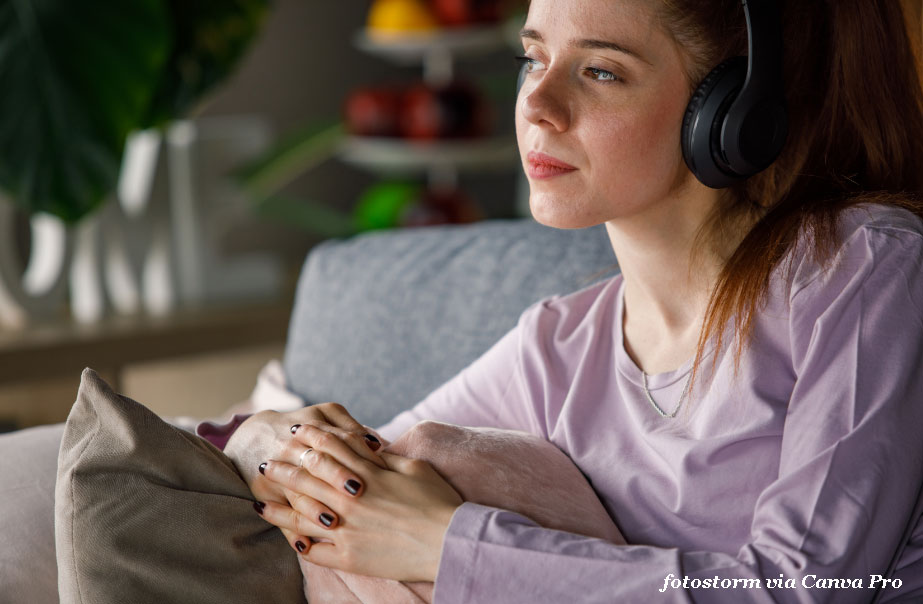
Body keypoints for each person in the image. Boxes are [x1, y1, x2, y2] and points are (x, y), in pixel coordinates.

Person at [219, 0, 923, 601]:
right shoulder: (559, 344)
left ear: (734, 113)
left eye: (600, 71)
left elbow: (816, 588)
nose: (536, 105)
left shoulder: (862, 264)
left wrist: (451, 546)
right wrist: (264, 438)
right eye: (533, 59)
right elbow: (365, 480)